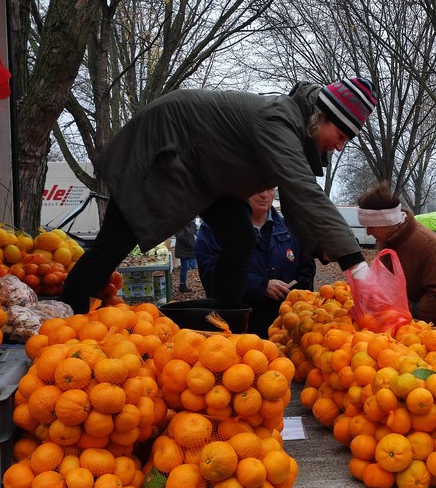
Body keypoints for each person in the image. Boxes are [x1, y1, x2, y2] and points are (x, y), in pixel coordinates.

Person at [60, 77, 378, 314]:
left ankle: (221, 324)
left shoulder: (296, 130)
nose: (339, 146)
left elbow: (296, 201)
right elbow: (304, 189)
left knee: (239, 237)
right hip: (167, 149)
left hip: (208, 172)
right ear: (321, 117)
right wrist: (356, 264)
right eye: (340, 136)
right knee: (113, 243)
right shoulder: (279, 121)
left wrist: (320, 246)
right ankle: (65, 319)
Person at [194, 188, 316, 338]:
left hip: (285, 331)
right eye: (256, 188)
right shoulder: (215, 229)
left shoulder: (290, 229)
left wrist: (296, 293)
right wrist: (261, 286)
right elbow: (211, 275)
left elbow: (307, 268)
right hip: (238, 330)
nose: (264, 194)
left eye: (269, 188)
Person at [356, 182, 436, 328]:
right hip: (400, 328)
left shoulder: (428, 244)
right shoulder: (387, 240)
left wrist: (403, 309)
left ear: (388, 222)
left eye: (371, 226)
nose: (368, 233)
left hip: (433, 334)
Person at [174, 219, 198, 293]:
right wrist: (190, 243)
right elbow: (181, 237)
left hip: (188, 249)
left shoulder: (190, 224)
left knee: (187, 267)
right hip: (183, 249)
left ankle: (183, 284)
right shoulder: (180, 225)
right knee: (185, 267)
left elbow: (194, 234)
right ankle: (182, 285)